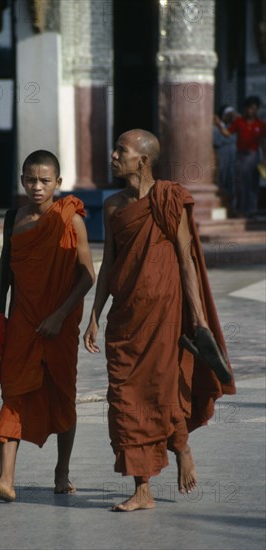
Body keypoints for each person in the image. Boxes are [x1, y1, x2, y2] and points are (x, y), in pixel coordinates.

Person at [84, 129, 236, 512]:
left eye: (122, 150)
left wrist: (198, 320)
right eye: (115, 147)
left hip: (166, 314)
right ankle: (143, 489)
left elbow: (186, 261)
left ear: (143, 161)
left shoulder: (170, 199)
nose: (114, 154)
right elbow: (109, 266)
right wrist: (94, 315)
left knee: (162, 390)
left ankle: (180, 446)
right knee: (124, 398)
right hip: (126, 318)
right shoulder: (115, 206)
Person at [0, 150, 95, 502]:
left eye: (45, 181)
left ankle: (62, 471)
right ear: (22, 180)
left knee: (63, 394)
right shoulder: (14, 219)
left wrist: (60, 316)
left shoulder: (71, 219)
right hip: (24, 324)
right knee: (14, 393)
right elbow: (3, 274)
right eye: (30, 179)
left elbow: (88, 276)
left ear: (58, 183)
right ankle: (6, 479)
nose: (37, 187)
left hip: (59, 325)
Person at [214, 96, 266, 216]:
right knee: (241, 183)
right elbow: (227, 133)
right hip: (241, 156)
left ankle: (252, 209)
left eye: (253, 108)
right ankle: (241, 210)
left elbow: (263, 142)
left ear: (256, 109)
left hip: (254, 155)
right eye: (248, 108)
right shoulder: (239, 122)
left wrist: (264, 158)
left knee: (253, 183)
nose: (250, 111)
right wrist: (220, 125)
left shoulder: (260, 124)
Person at [213, 105, 237, 203]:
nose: (230, 117)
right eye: (228, 114)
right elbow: (216, 142)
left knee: (233, 179)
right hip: (222, 154)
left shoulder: (235, 127)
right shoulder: (216, 128)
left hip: (234, 156)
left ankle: (233, 205)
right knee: (222, 177)